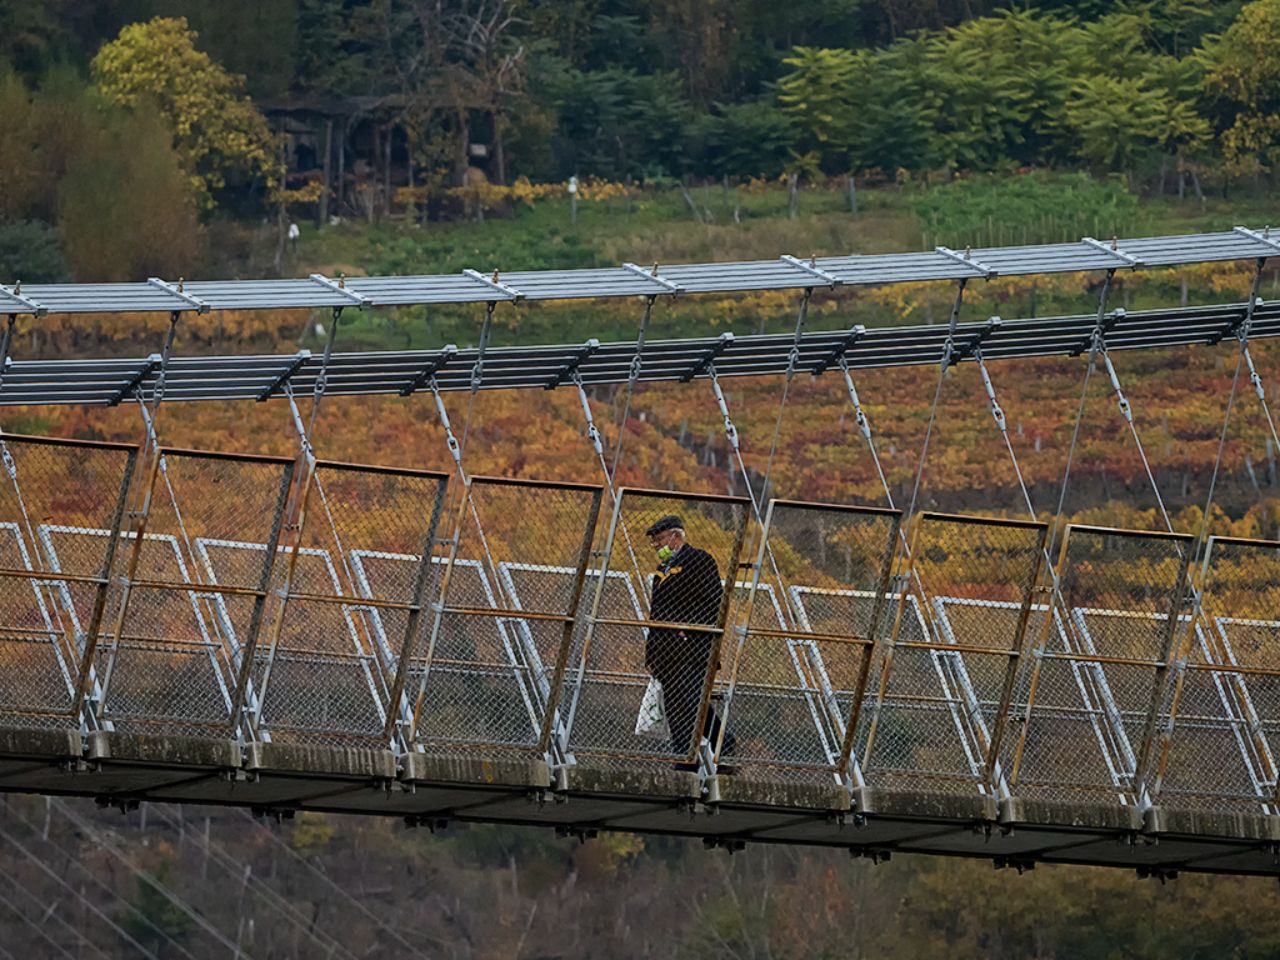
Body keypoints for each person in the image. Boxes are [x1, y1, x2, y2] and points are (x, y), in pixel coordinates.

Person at [643, 515, 731, 770]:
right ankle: (684, 759)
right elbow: (656, 613)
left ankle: (723, 747)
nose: (658, 546)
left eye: (660, 540)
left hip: (692, 652)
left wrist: (689, 629)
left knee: (693, 703)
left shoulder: (699, 561)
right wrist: (651, 654)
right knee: (675, 709)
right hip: (666, 654)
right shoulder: (662, 571)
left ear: (675, 536)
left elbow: (713, 601)